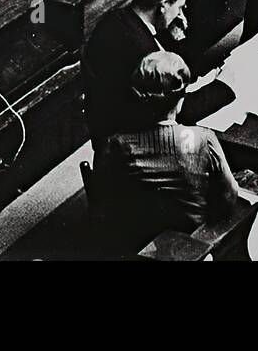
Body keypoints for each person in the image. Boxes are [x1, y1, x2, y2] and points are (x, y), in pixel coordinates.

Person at [94, 52, 241, 250]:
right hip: (193, 245)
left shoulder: (114, 144)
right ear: (180, 102)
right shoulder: (203, 139)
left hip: (138, 245)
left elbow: (106, 202)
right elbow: (230, 195)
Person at [82, 0, 229, 148]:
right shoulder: (144, 54)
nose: (181, 15)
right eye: (179, 7)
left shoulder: (118, 19)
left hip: (114, 129)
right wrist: (226, 87)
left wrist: (175, 36)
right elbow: (177, 110)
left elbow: (181, 66)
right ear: (163, 4)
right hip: (135, 145)